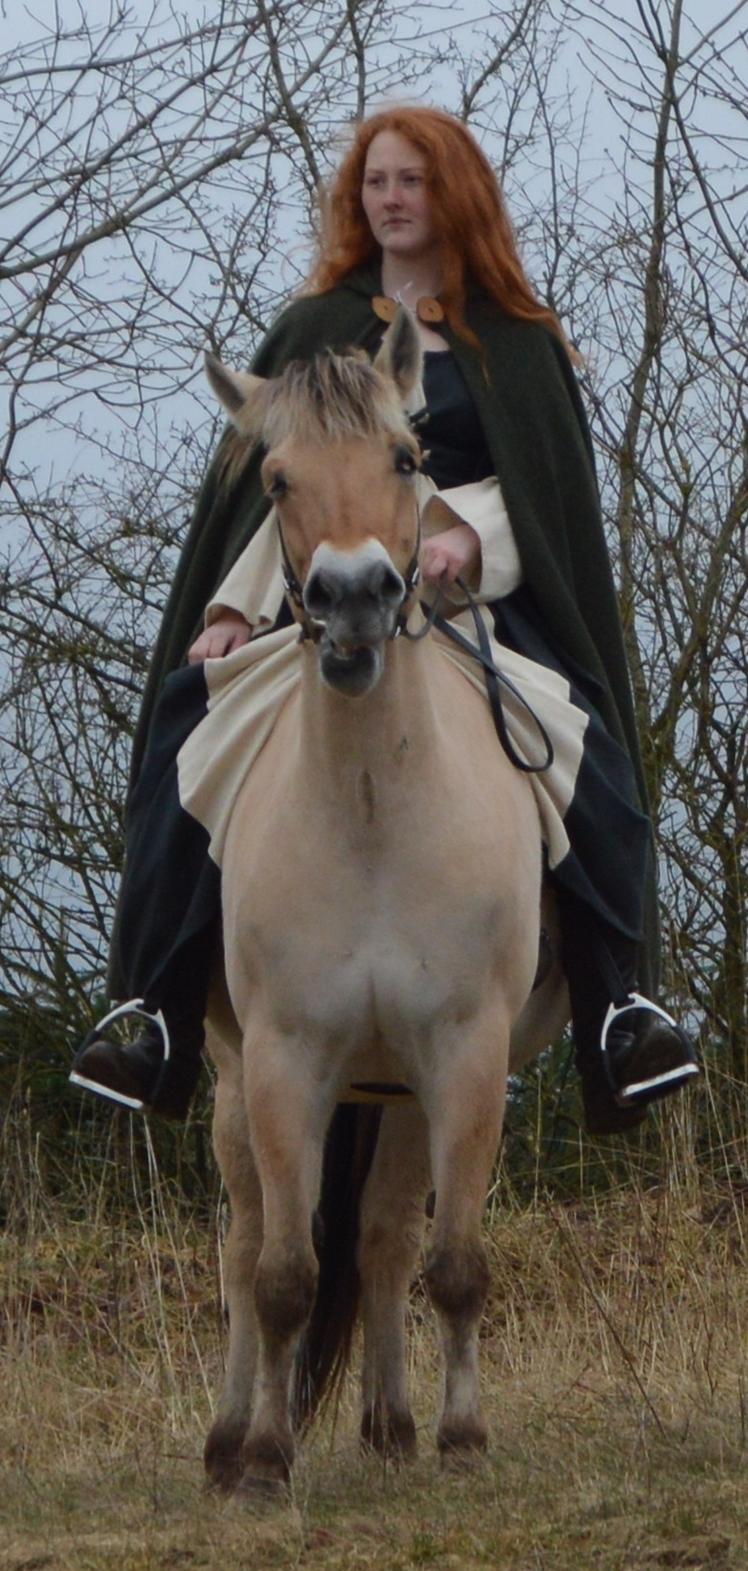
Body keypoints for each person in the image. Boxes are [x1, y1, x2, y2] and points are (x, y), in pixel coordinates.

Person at [71, 106, 698, 1135]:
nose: (392, 200)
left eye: (410, 181)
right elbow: (283, 488)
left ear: (452, 193)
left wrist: (467, 535)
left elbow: (547, 495)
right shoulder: (315, 331)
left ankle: (616, 1010)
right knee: (185, 736)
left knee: (586, 756)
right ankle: (155, 1011)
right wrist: (232, 607)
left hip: (478, 601)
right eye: (376, 183)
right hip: (318, 604)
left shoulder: (519, 348)